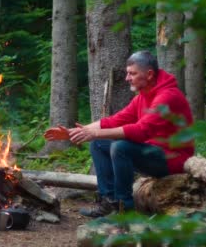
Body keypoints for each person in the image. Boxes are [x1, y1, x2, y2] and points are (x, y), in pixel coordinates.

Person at [44, 50, 194, 217]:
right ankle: (109, 203)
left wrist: (94, 133)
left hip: (173, 159)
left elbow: (141, 131)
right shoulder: (143, 96)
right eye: (127, 73)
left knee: (121, 147)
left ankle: (125, 211)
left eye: (132, 73)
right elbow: (115, 120)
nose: (127, 78)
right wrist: (74, 132)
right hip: (154, 152)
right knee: (99, 144)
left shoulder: (166, 97)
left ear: (149, 74)